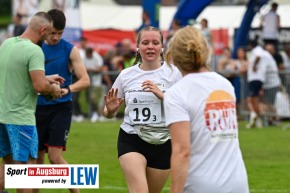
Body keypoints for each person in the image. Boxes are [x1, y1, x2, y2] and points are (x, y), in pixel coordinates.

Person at [164, 26, 249, 193]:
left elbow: (182, 152)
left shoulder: (176, 93)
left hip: (201, 183)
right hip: (237, 182)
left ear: (175, 56)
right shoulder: (225, 85)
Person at [103, 26, 182, 193]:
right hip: (131, 138)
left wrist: (163, 96)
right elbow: (108, 113)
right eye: (145, 43)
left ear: (162, 46)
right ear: (138, 47)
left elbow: (187, 107)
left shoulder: (174, 74)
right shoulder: (126, 75)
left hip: (164, 141)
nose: (150, 46)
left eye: (155, 42)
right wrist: (110, 110)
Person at [0, 12, 63, 193]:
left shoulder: (7, 43)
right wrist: (53, 89)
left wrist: (47, 78)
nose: (50, 38)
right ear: (42, 30)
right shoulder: (34, 50)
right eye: (49, 33)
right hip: (20, 117)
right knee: (27, 167)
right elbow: (40, 86)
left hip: (3, 115)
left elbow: (16, 74)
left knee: (8, 164)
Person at [34, 9, 90, 193]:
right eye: (53, 33)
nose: (56, 37)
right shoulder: (34, 47)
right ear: (44, 29)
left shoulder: (70, 49)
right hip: (36, 108)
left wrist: (67, 89)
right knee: (37, 159)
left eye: (60, 33)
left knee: (55, 157)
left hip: (61, 108)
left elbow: (85, 80)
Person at [83, 47, 104, 122]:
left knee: (93, 97)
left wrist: (90, 70)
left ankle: (98, 113)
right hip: (87, 81)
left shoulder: (97, 57)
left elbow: (100, 68)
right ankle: (94, 113)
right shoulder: (83, 57)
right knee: (88, 98)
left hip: (96, 82)